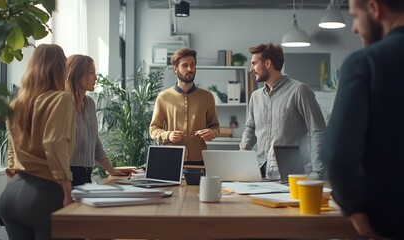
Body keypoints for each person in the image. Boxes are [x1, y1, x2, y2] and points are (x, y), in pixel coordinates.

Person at [323, 0, 404, 239]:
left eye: (355, 16)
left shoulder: (364, 63)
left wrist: (356, 212)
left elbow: (337, 156)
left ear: (375, 8)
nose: (355, 28)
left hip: (391, 223)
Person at [0, 44, 76, 240]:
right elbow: (55, 144)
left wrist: (11, 183)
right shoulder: (61, 99)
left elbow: (12, 151)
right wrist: (67, 192)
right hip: (44, 194)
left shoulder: (17, 104)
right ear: (60, 68)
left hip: (11, 194)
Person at [240, 43, 326, 180]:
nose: (251, 69)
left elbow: (318, 130)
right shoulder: (255, 97)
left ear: (267, 63)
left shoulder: (299, 91)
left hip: (290, 173)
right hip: (260, 170)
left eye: (254, 64)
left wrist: (318, 173)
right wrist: (243, 152)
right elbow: (250, 128)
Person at [65, 54, 136, 186]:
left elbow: (95, 141)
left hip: (85, 173)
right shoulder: (64, 104)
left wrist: (111, 170)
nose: (96, 78)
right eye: (91, 73)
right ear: (76, 74)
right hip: (66, 174)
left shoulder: (89, 103)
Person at [150, 48, 220, 164]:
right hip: (170, 159)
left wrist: (212, 133)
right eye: (185, 65)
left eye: (192, 65)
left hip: (199, 160)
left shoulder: (207, 97)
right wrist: (168, 135)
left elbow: (215, 126)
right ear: (175, 69)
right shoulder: (163, 97)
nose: (190, 69)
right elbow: (153, 129)